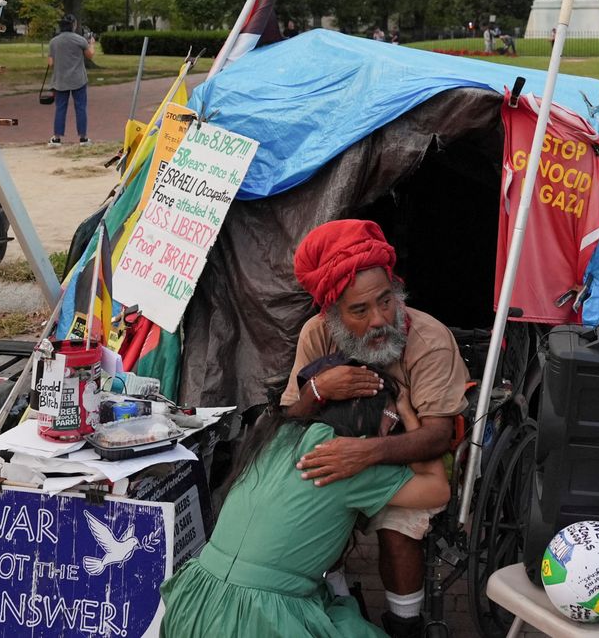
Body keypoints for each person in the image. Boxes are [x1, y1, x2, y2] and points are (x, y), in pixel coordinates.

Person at [161, 357, 449, 638]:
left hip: (192, 603)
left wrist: (316, 389)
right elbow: (438, 489)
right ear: (362, 410)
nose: (392, 427)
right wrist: (410, 415)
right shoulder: (346, 459)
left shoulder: (275, 433)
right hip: (258, 620)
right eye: (391, 417)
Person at [280, 220, 469, 638]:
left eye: (386, 301)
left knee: (398, 527)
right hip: (342, 452)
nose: (380, 319)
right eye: (360, 311)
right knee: (302, 502)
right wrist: (316, 388)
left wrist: (365, 455)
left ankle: (405, 625)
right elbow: (290, 423)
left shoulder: (429, 340)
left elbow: (438, 436)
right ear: (333, 315)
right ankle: (338, 604)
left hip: (414, 462)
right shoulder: (317, 335)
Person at [47, 15, 93, 145]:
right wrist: (92, 44)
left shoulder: (54, 42)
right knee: (81, 108)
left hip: (60, 80)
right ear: (73, 25)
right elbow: (89, 55)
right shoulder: (80, 40)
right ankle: (83, 137)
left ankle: (57, 138)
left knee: (60, 108)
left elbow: (50, 62)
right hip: (78, 79)